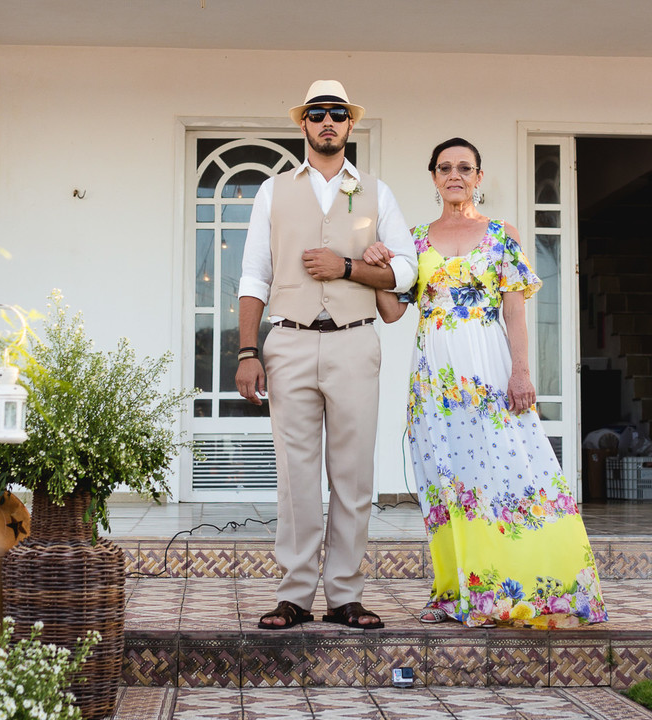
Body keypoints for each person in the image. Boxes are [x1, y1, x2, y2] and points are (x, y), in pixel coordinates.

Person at [374, 137, 606, 628]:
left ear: (479, 177)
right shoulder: (414, 240)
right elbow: (393, 312)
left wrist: (522, 373)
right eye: (444, 167)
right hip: (434, 383)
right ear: (433, 177)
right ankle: (454, 594)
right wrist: (378, 269)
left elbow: (515, 313)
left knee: (509, 476)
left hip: (490, 372)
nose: (454, 174)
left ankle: (525, 589)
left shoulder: (502, 234)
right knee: (446, 484)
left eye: (465, 167)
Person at [235, 80, 417, 630]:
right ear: (304, 124)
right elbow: (252, 276)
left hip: (356, 339)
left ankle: (344, 595)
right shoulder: (273, 191)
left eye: (338, 113)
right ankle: (293, 594)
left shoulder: (375, 193)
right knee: (295, 475)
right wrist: (248, 350)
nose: (329, 122)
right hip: (287, 340)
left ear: (350, 124)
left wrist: (350, 267)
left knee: (354, 473)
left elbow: (407, 271)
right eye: (319, 114)